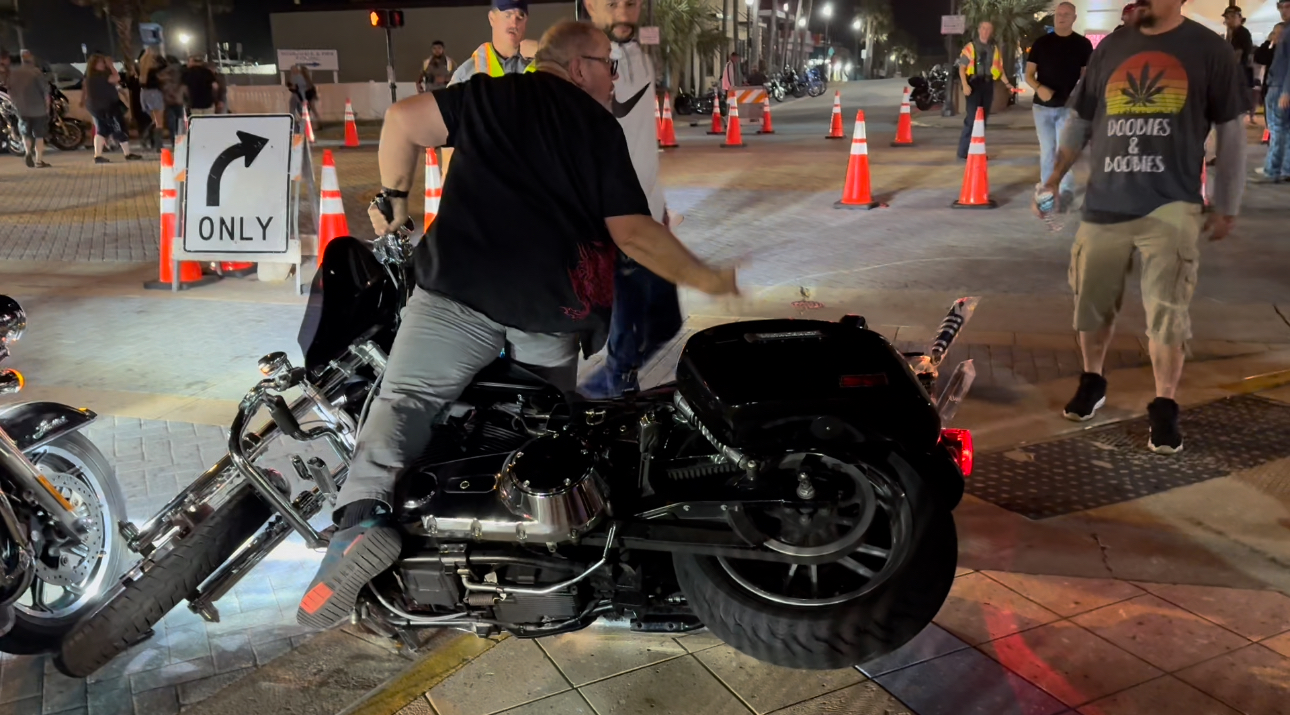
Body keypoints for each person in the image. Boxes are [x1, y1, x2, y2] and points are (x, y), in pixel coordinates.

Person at [295, 20, 738, 629]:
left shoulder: (492, 94)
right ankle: (521, 556)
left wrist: (396, 205)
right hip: (547, 314)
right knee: (535, 433)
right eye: (609, 66)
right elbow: (632, 232)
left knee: (407, 399)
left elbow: (401, 122)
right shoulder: (596, 127)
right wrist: (705, 275)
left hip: (459, 293)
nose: (614, 79)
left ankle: (362, 521)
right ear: (578, 66)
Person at [1035, 0, 1247, 454]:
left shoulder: (1209, 49)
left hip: (1171, 204)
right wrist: (1054, 177)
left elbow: (1231, 129)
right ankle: (1093, 380)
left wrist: (1227, 203)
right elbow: (1082, 118)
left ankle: (1164, 405)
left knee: (1168, 314)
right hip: (1104, 203)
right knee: (1090, 305)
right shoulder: (1111, 47)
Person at [578, 0, 683, 399]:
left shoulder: (640, 57)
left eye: (632, 3)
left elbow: (641, 140)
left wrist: (660, 207)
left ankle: (601, 390)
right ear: (590, 4)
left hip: (649, 214)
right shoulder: (582, 63)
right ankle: (615, 392)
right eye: (613, 3)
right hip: (614, 219)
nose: (625, 12)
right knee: (630, 325)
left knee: (667, 321)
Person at [441, 0, 539, 177]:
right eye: (507, 15)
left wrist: (545, 52)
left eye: (520, 16)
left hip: (531, 179)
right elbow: (450, 136)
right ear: (492, 18)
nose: (514, 22)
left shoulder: (541, 64)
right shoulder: (468, 73)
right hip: (485, 179)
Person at [1025, 2, 1093, 209]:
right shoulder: (1041, 43)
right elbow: (1028, 75)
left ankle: (1065, 192)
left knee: (1064, 152)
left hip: (1068, 108)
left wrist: (1079, 95)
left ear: (1074, 18)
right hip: (1042, 108)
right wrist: (1039, 88)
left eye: (1066, 14)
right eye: (1058, 14)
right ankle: (1047, 194)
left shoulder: (1083, 45)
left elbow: (1087, 76)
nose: (1061, 17)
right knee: (1047, 151)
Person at [956, 21, 1015, 160]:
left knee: (983, 119)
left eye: (988, 29)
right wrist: (965, 85)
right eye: (983, 28)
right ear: (978, 30)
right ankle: (963, 151)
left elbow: (999, 70)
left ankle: (977, 149)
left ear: (991, 31)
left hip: (987, 85)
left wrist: (1008, 85)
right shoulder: (970, 47)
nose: (985, 31)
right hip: (973, 84)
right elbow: (962, 68)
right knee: (971, 119)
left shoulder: (994, 49)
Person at [81, 54, 141, 163]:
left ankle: (98, 156)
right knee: (118, 128)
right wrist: (111, 66)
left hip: (97, 107)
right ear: (94, 65)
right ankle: (127, 154)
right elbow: (117, 78)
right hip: (107, 107)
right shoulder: (99, 76)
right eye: (101, 62)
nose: (103, 64)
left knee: (102, 130)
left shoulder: (90, 77)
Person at [1260, 0, 1290, 183]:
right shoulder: (1284, 32)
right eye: (1281, 7)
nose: (1283, 11)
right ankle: (1284, 169)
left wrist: (1286, 91)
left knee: (1278, 129)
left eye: (1287, 6)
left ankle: (1273, 170)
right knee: (1284, 130)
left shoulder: (1287, 33)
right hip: (1279, 85)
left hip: (1279, 86)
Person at [7, 50, 51, 168]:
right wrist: (47, 107)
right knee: (39, 135)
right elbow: (46, 92)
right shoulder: (36, 72)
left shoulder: (13, 73)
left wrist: (15, 104)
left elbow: (10, 91)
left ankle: (27, 153)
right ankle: (39, 160)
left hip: (21, 110)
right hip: (38, 109)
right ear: (31, 58)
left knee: (25, 134)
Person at [138, 47, 167, 149]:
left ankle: (145, 138)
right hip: (154, 94)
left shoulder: (141, 68)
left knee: (155, 120)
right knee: (159, 121)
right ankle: (158, 146)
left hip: (144, 94)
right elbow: (165, 65)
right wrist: (157, 56)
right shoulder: (154, 70)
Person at [159, 54, 185, 144]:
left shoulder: (166, 72)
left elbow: (159, 77)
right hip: (179, 99)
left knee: (171, 123)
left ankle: (174, 142)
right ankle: (180, 142)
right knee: (180, 121)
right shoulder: (181, 71)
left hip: (168, 99)